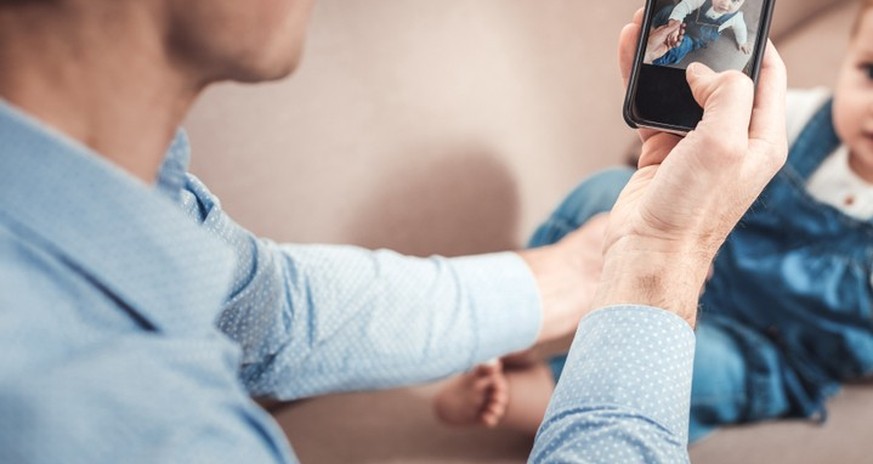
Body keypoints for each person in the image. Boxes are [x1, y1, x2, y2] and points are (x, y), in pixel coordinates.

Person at [0, 0, 787, 462]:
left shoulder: (116, 191)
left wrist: (585, 274)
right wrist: (661, 263)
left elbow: (268, 308)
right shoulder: (102, 416)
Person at [436, 0, 873, 446]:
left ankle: (507, 395)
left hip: (774, 350)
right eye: (869, 72)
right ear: (847, 59)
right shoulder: (793, 117)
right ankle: (520, 324)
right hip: (706, 256)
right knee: (607, 189)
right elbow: (709, 156)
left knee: (694, 368)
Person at [652, 0, 753, 67]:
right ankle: (652, 26)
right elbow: (685, 5)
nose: (725, 3)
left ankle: (656, 60)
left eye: (735, 0)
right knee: (669, 9)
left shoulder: (736, 18)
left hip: (695, 38)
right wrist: (675, 23)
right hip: (683, 21)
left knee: (680, 47)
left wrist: (742, 41)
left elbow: (740, 29)